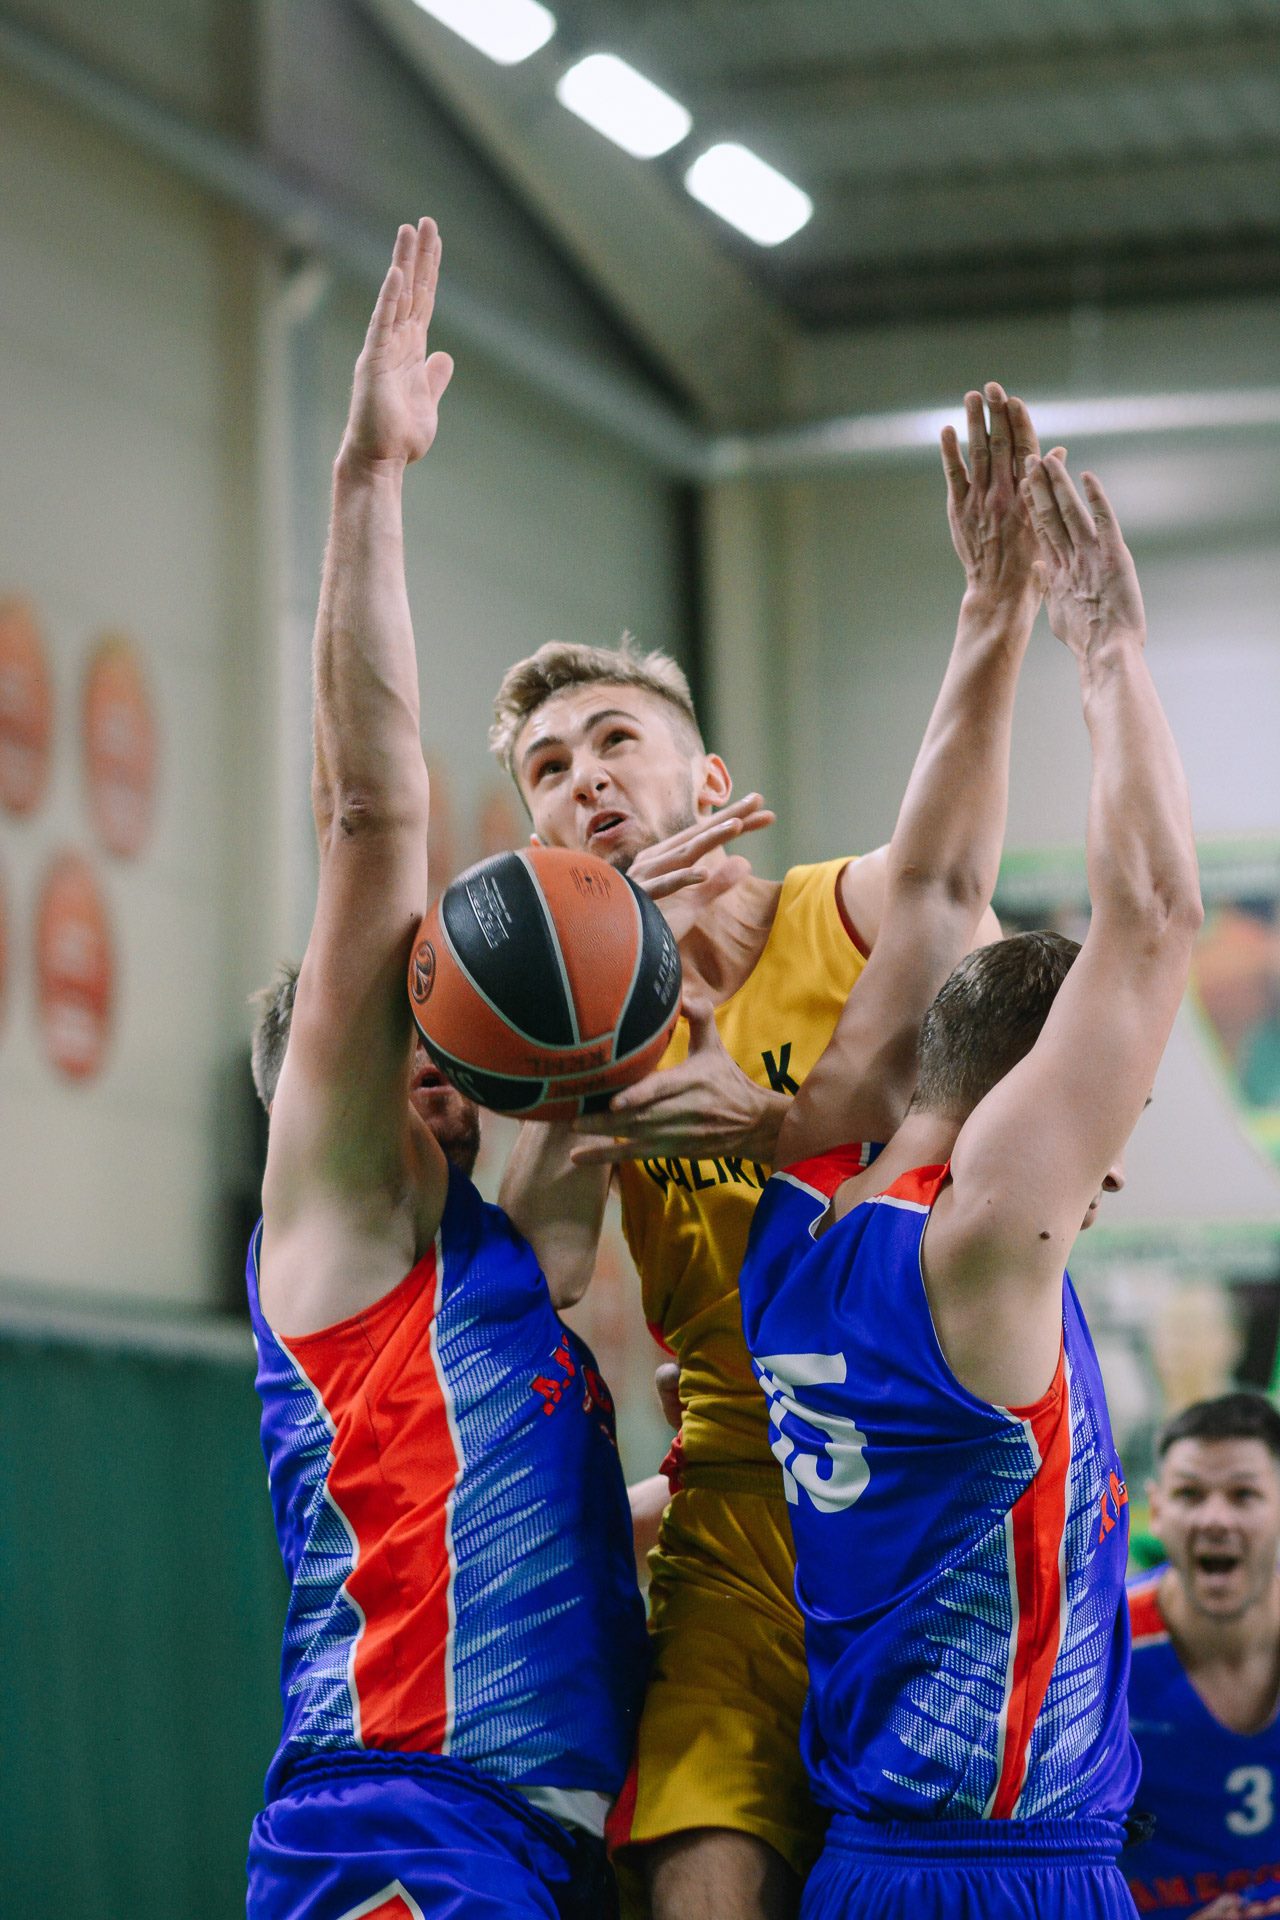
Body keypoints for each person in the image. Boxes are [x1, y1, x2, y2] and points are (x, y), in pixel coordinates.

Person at [488, 389, 1019, 1915]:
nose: (585, 777)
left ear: (709, 786)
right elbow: (536, 1268)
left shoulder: (856, 910)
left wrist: (992, 607)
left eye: (616, 741)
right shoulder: (577, 1036)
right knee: (699, 1878)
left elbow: (1008, 1067)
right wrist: (588, 1026)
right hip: (733, 1493)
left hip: (925, 1477)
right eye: (547, 769)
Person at [244, 217, 658, 1920]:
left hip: (538, 1838)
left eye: (443, 1046)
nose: (432, 1066)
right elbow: (371, 814)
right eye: (397, 1043)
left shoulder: (485, 1264)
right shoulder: (338, 1228)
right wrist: (370, 481)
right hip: (399, 1819)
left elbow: (607, 1092)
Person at [737, 446, 1203, 1919]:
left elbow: (934, 896)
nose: (1106, 1160)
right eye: (1106, 1113)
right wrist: (1106, 650)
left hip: (860, 1867)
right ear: (1026, 1108)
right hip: (1005, 1873)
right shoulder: (981, 1243)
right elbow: (1154, 913)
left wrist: (985, 608)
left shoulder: (793, 1224)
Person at [1124, 1393, 1280, 1919]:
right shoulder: (1098, 1648)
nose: (1215, 1518)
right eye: (1190, 1494)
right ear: (1157, 1511)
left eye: (1243, 1494)